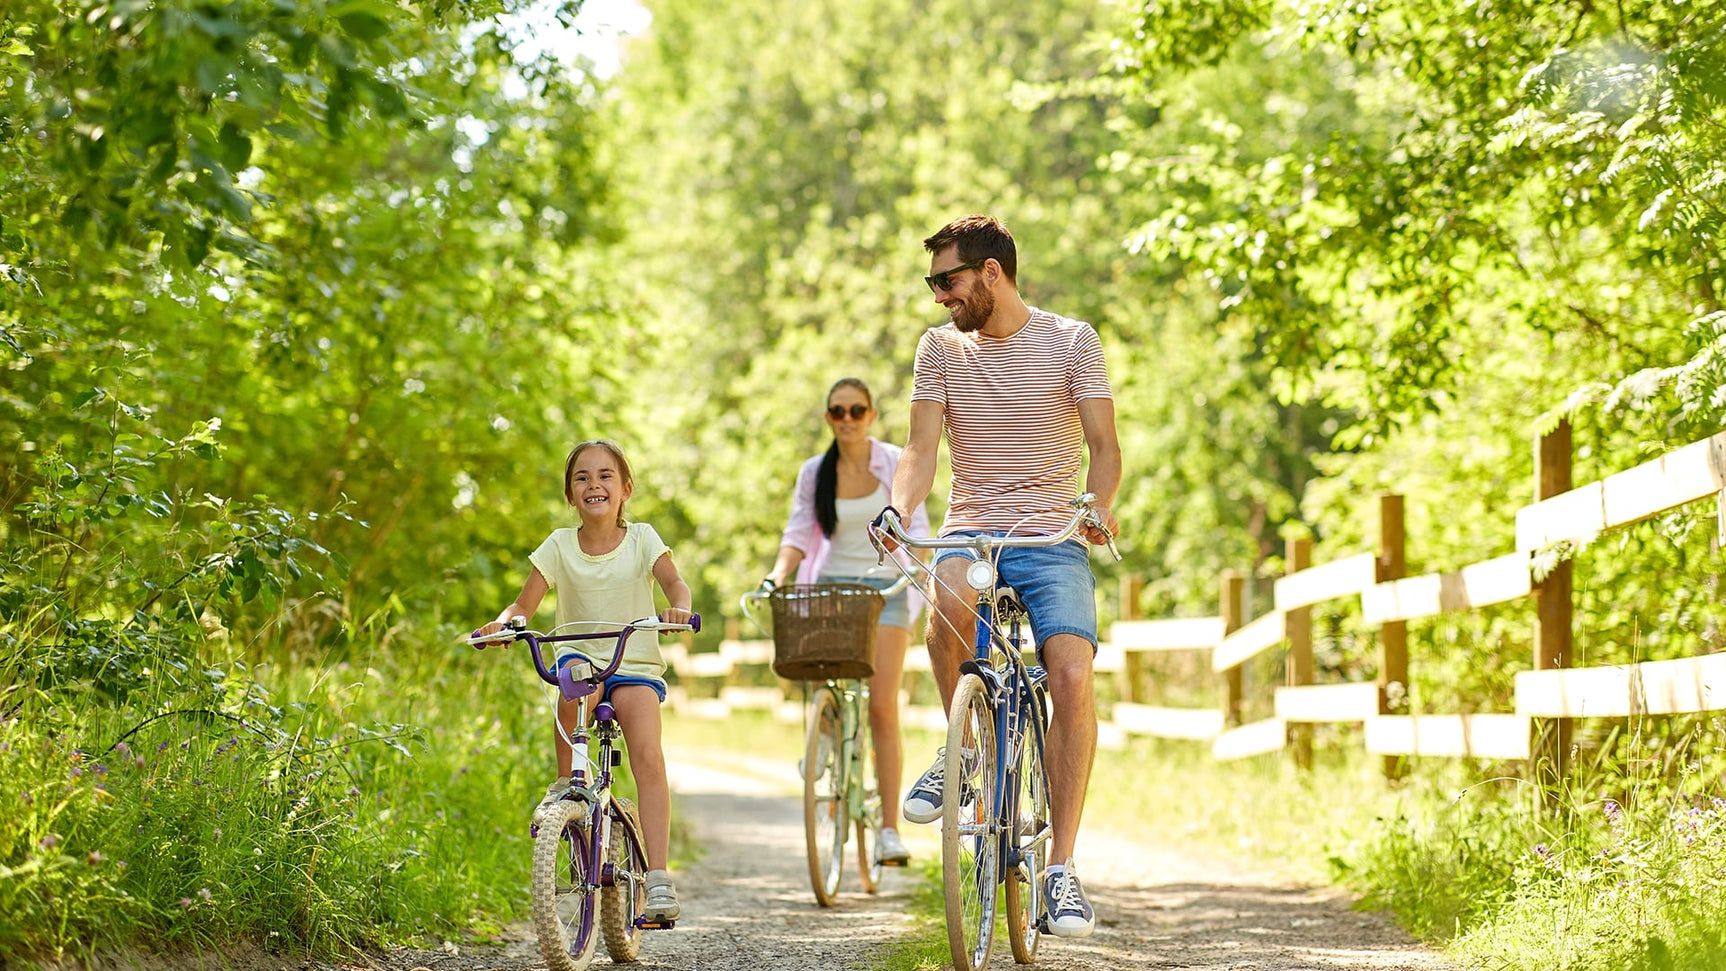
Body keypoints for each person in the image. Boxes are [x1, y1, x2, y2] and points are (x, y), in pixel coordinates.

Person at [872, 214, 1121, 938]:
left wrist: (1095, 509)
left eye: (947, 281)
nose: (940, 297)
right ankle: (968, 750)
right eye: (934, 284)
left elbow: (1104, 445)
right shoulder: (939, 350)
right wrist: (898, 507)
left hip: (1052, 535)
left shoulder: (1074, 340)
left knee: (1071, 674)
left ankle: (1062, 869)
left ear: (990, 273)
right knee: (944, 601)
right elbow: (920, 449)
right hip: (972, 526)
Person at [473, 438, 694, 924]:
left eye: (605, 476)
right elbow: (522, 606)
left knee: (647, 753)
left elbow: (674, 583)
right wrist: (504, 624)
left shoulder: (643, 539)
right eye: (581, 478)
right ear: (570, 496)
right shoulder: (557, 545)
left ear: (626, 490)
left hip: (632, 661)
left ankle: (657, 876)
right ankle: (568, 788)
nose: (594, 484)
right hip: (580, 656)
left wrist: (678, 605)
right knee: (570, 686)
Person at [763, 377, 933, 867]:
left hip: (886, 590)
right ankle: (824, 739)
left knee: (882, 706)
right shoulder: (815, 472)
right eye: (838, 412)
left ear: (872, 415)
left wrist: (914, 562)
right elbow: (798, 530)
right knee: (823, 679)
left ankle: (888, 831)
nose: (848, 420)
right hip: (831, 587)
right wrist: (778, 574)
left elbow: (918, 529)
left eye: (857, 410)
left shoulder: (894, 462)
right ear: (828, 418)